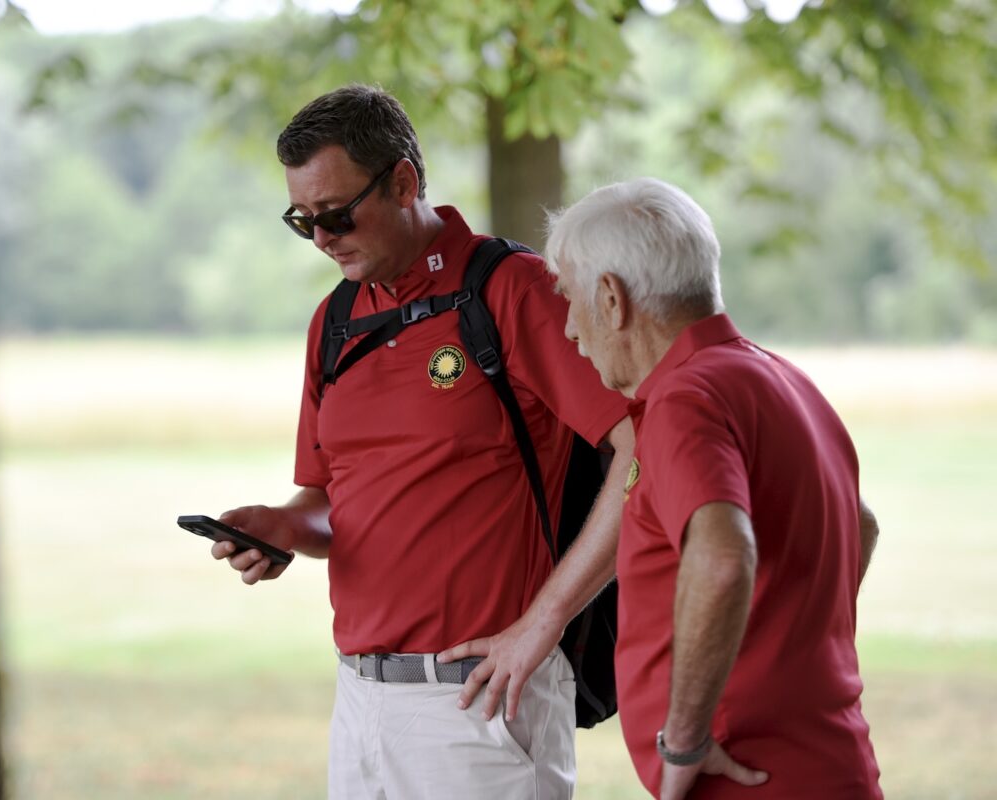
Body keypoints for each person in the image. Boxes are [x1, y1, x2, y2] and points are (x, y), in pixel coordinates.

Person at [208, 84, 634, 799]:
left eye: (337, 214)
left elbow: (644, 451)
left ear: (403, 181)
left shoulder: (511, 290)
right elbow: (327, 498)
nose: (321, 238)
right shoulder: (334, 321)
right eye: (301, 220)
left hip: (481, 704)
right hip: (361, 700)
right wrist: (285, 524)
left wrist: (545, 621)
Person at [471, 176, 882, 799]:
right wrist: (786, 636)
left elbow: (721, 558)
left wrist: (685, 737)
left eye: (569, 299)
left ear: (612, 299)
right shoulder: (778, 377)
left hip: (747, 777)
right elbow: (862, 525)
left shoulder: (686, 399)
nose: (569, 331)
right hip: (825, 761)